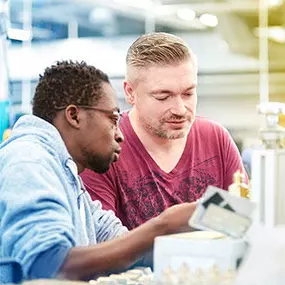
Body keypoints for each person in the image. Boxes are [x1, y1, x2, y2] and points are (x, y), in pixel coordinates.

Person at [0, 60, 197, 282]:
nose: (119, 135)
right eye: (113, 120)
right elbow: (50, 266)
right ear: (74, 116)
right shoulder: (29, 161)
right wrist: (162, 226)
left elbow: (123, 248)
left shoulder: (67, 177)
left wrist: (200, 238)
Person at [80, 32, 247, 230]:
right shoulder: (103, 148)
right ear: (130, 93)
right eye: (163, 96)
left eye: (188, 93)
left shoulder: (216, 138)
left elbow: (242, 224)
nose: (179, 109)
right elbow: (102, 247)